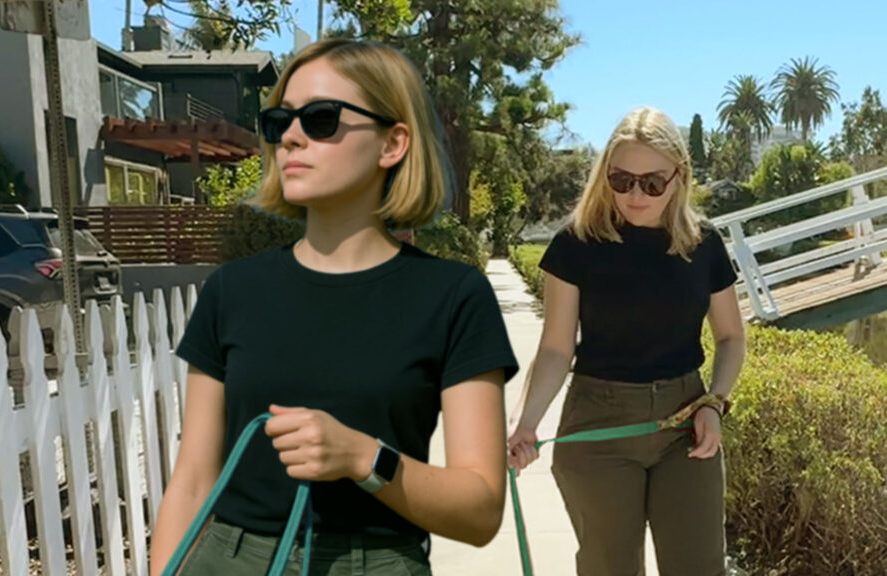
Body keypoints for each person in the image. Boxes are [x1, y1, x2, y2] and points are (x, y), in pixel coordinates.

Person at [149, 38, 519, 576]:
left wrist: (362, 457)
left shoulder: (453, 296)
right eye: (280, 121)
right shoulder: (231, 290)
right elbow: (191, 483)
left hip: (377, 564)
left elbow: (480, 511)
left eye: (321, 119)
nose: (290, 137)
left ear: (392, 143)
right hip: (226, 560)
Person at [506, 107, 746, 576]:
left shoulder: (704, 245)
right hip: (598, 425)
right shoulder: (575, 245)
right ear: (605, 175)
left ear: (679, 177)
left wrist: (714, 403)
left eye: (652, 183)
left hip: (685, 424)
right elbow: (555, 349)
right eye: (621, 180)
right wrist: (524, 423)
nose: (635, 195)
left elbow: (731, 336)